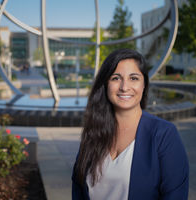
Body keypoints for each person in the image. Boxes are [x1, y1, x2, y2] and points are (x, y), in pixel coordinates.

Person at [72, 49, 189, 200]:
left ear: (144, 85)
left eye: (134, 78)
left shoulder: (163, 134)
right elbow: (78, 188)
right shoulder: (93, 131)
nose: (124, 87)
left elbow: (175, 195)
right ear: (105, 84)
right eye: (115, 78)